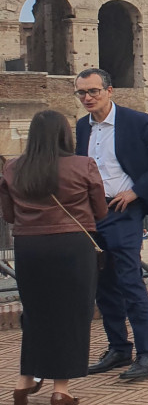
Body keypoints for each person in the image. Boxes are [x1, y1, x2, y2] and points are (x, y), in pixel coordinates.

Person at [74, 68, 148, 381]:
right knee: (103, 286)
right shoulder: (81, 127)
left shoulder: (135, 121)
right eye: (81, 93)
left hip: (124, 211)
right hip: (92, 214)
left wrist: (136, 190)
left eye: (93, 91)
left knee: (130, 282)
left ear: (110, 90)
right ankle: (119, 348)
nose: (88, 98)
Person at [1, 111, 108, 405]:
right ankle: (61, 389)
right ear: (65, 134)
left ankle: (24, 382)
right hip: (73, 245)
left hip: (29, 246)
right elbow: (100, 211)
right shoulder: (82, 164)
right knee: (73, 314)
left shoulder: (13, 167)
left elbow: (8, 215)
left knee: (36, 313)